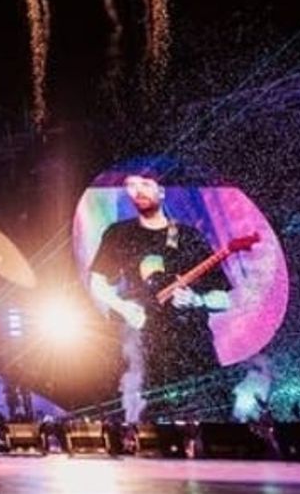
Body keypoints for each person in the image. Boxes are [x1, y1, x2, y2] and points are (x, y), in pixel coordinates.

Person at [87, 171, 232, 420]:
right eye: (131, 185)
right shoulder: (118, 234)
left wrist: (198, 301)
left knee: (213, 419)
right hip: (145, 349)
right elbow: (97, 283)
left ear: (162, 191)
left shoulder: (189, 236)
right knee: (150, 423)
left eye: (145, 183)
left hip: (193, 350)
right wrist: (124, 308)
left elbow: (225, 299)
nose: (138, 190)